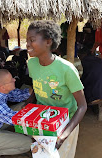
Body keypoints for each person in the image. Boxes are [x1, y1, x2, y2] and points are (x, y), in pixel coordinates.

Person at [26, 20, 87, 158]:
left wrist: (63, 136)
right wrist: (27, 111)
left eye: (32, 40)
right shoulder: (32, 64)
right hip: (41, 120)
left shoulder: (66, 69)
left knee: (62, 155)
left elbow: (82, 106)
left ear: (48, 42)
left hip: (65, 123)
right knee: (42, 155)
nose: (27, 44)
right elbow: (38, 86)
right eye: (27, 40)